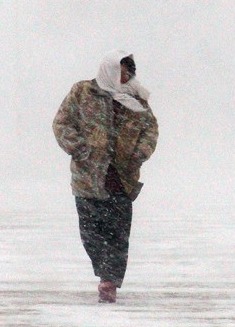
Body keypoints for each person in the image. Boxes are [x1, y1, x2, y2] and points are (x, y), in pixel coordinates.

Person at [53, 51, 159, 302]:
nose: (125, 76)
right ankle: (104, 272)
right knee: (92, 233)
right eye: (120, 71)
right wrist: (79, 149)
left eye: (128, 71)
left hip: (121, 179)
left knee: (118, 234)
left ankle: (109, 281)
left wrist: (140, 153)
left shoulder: (137, 99)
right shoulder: (83, 92)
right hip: (88, 177)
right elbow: (62, 123)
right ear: (108, 70)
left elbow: (150, 129)